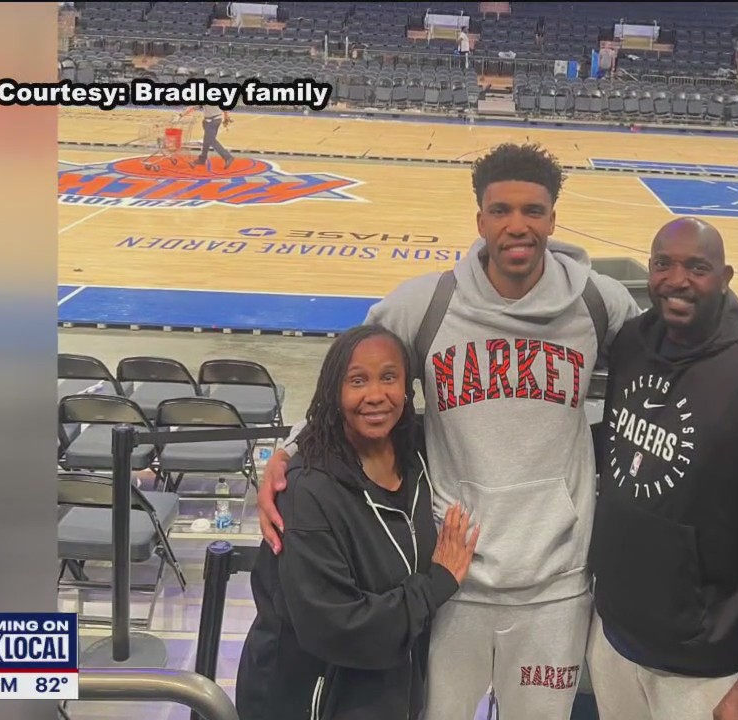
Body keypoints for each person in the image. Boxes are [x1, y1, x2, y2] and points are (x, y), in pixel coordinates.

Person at [258, 143, 645, 719]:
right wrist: (287, 452)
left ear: (553, 219)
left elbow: (674, 349)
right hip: (447, 579)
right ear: (480, 219)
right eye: (501, 210)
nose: (518, 225)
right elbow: (349, 377)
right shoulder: (429, 303)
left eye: (533, 211)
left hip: (556, 586)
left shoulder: (595, 301)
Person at [585, 217, 738, 720]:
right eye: (663, 264)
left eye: (698, 267)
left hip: (706, 669)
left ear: (726, 277)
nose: (677, 280)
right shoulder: (631, 345)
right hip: (614, 638)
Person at [236, 324, 481, 720]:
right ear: (335, 391)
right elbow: (337, 628)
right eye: (357, 381)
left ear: (407, 388)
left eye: (388, 377)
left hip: (387, 689)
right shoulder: (306, 493)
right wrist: (437, 582)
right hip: (310, 698)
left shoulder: (417, 455)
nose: (375, 395)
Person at [180, 104, 234, 170]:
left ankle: (228, 157)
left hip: (210, 121)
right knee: (207, 140)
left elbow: (193, 107)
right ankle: (202, 159)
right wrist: (226, 117)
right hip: (217, 120)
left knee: (211, 140)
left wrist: (181, 115)